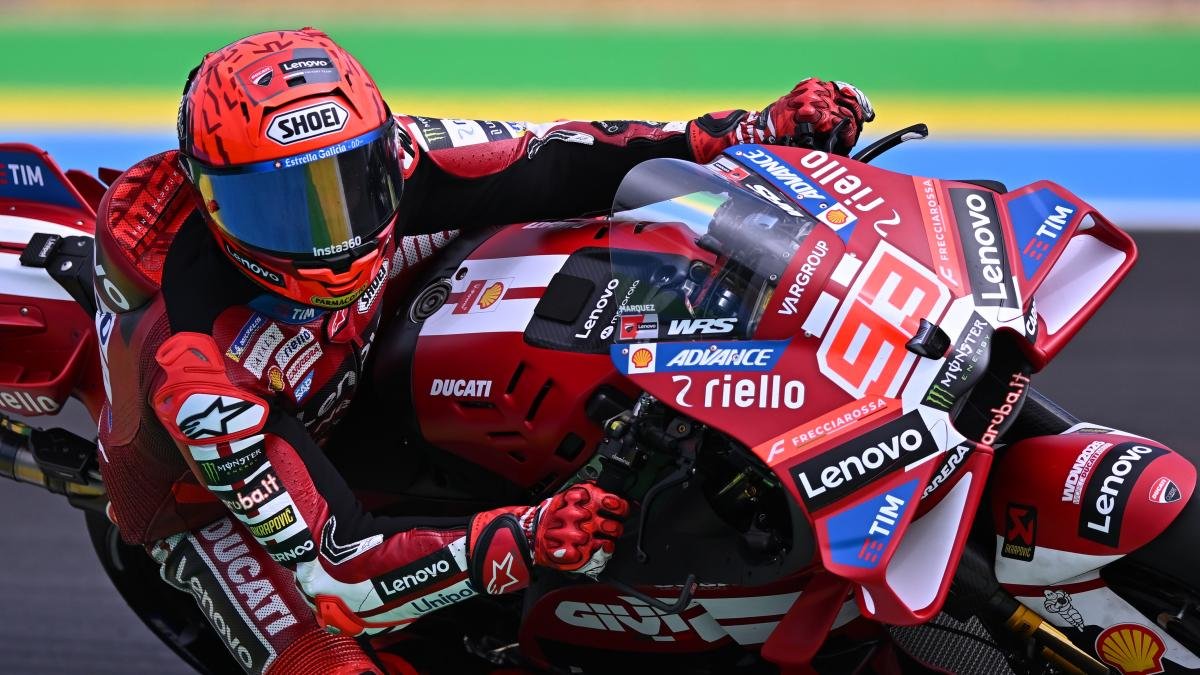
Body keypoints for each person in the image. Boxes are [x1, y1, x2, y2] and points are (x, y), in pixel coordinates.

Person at [92, 27, 874, 675]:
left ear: (379, 146)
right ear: (212, 201)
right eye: (282, 208)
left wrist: (733, 134)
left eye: (349, 184)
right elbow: (340, 570)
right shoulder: (198, 374)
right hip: (209, 502)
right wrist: (524, 539)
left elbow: (551, 157)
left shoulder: (397, 155)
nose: (331, 233)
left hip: (349, 349)